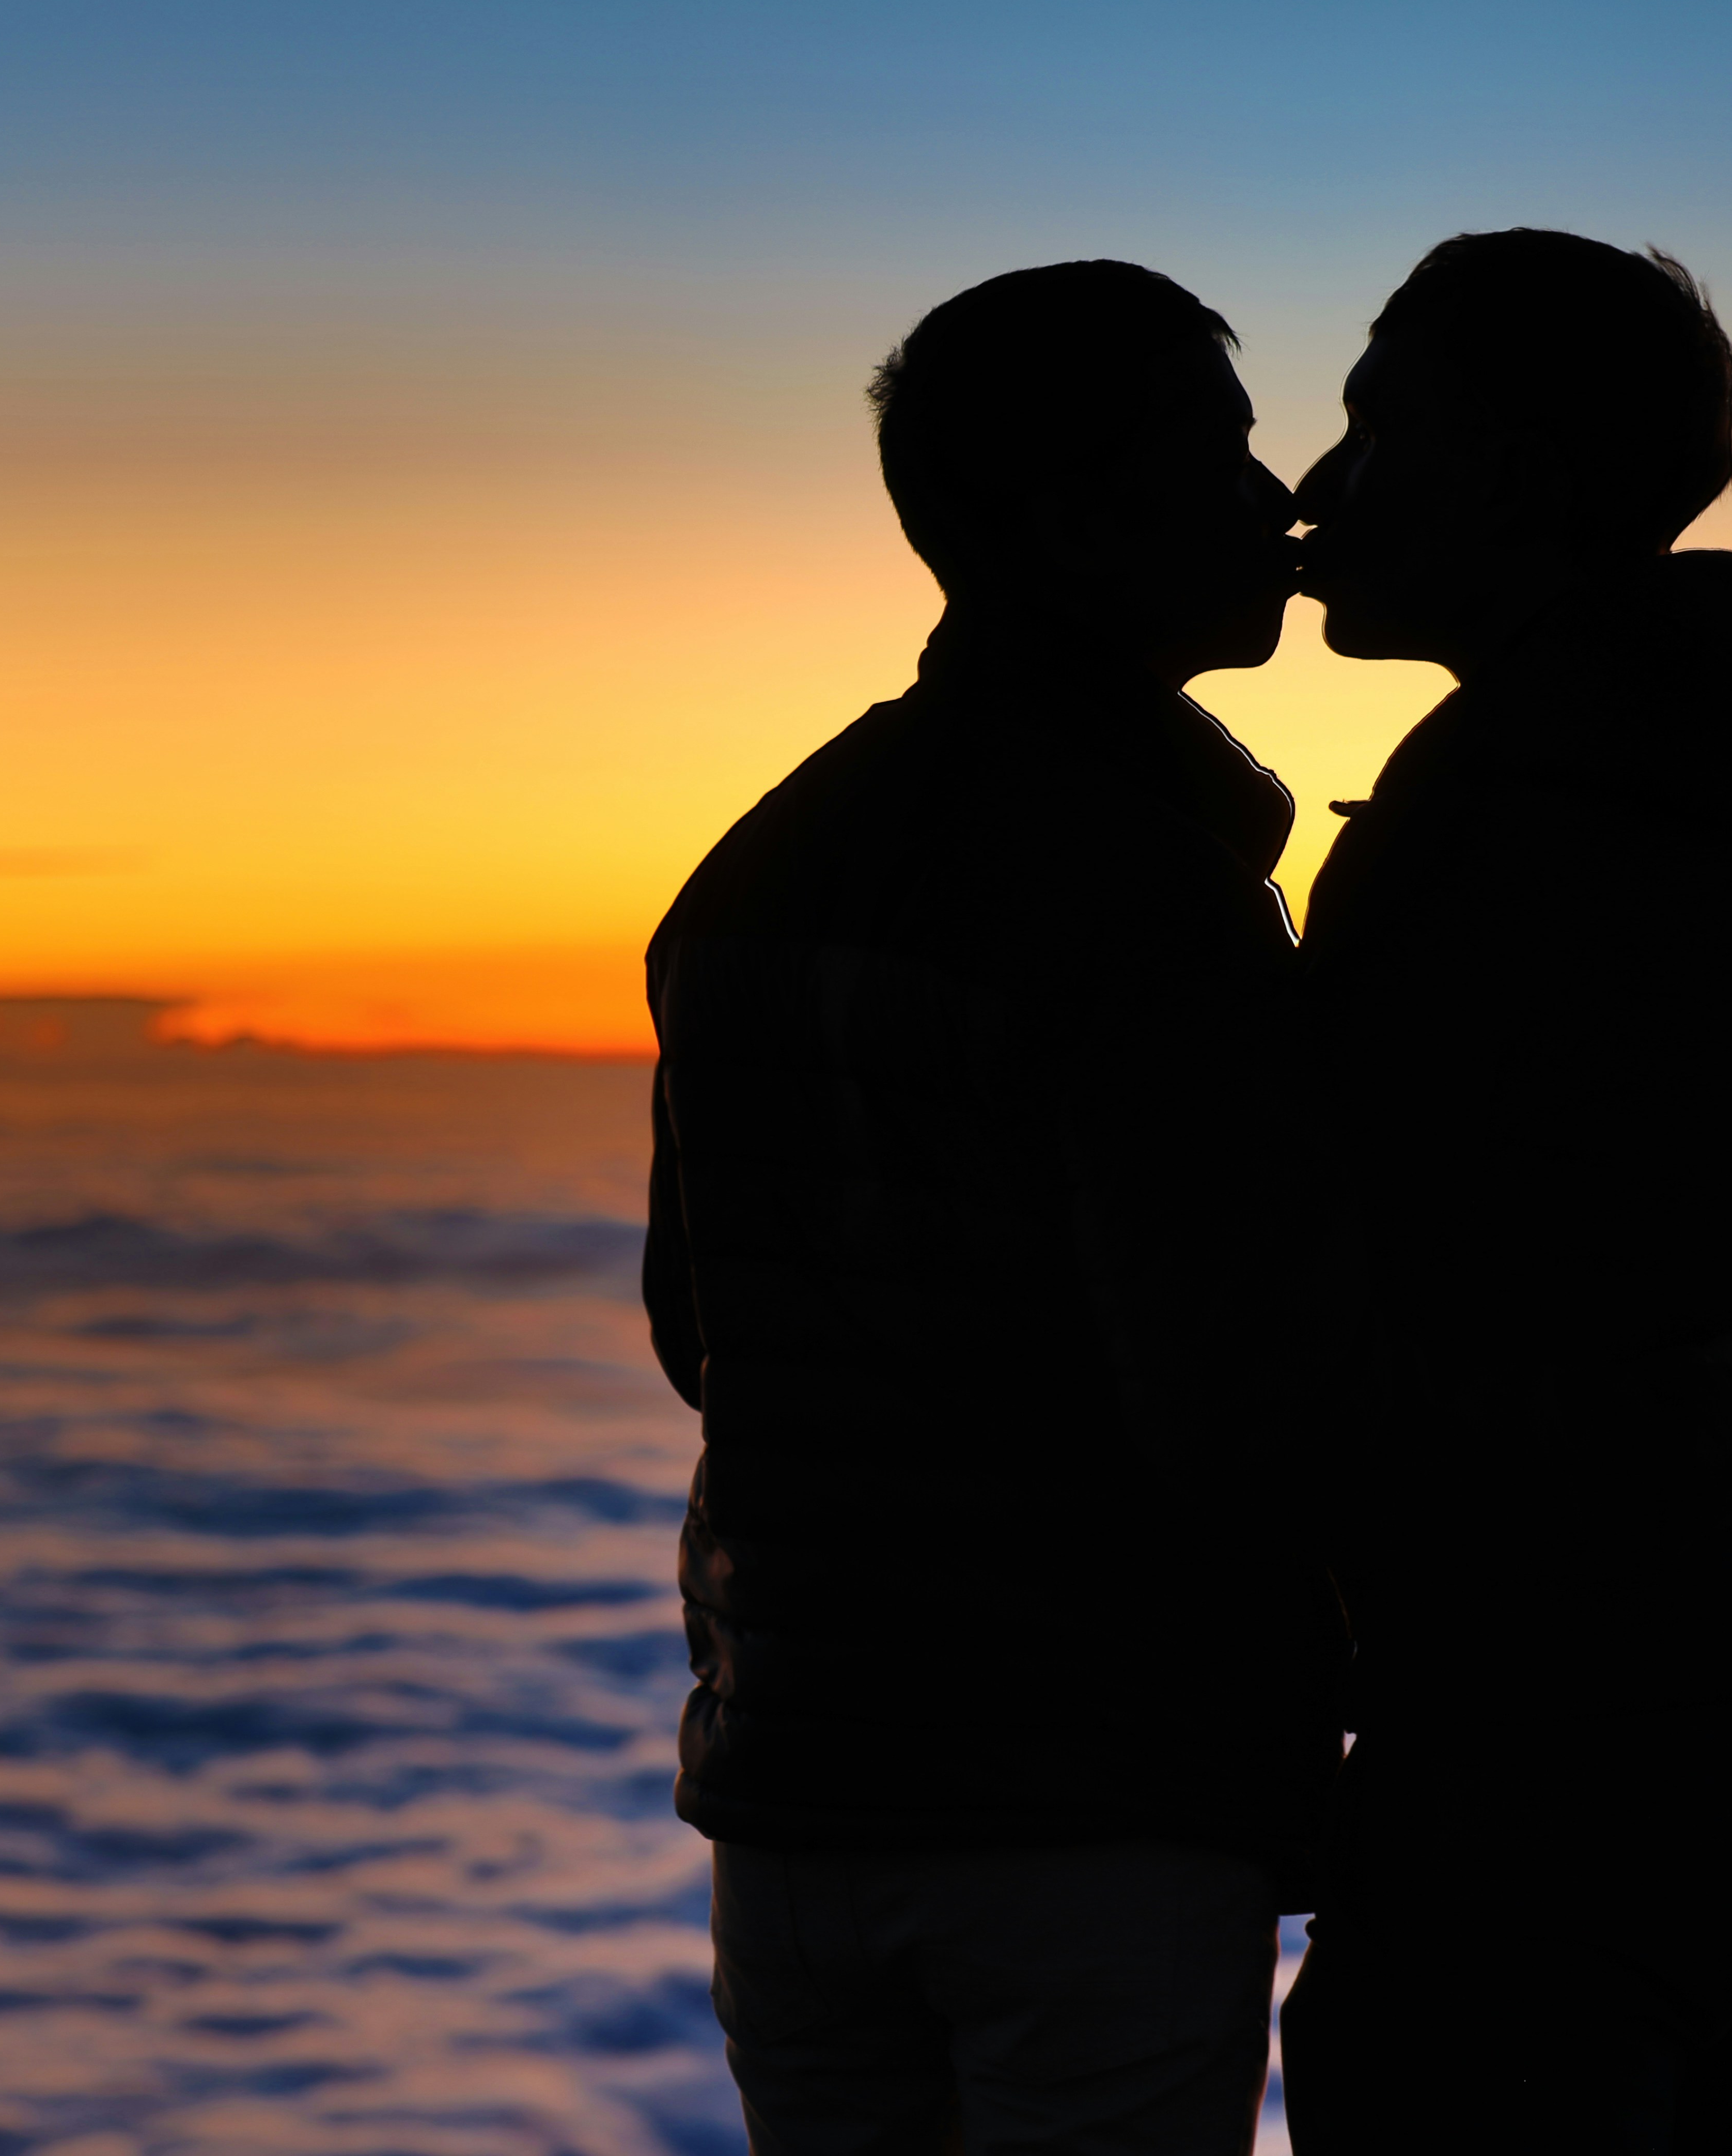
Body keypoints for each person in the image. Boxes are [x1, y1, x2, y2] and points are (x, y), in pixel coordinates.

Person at [644, 260, 1345, 2154]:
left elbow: (700, 1330)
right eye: (1218, 454)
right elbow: (1247, 1398)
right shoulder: (1143, 901)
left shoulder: (758, 869)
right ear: (1074, 517)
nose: (1276, 500)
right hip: (1090, 1814)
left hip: (794, 1806)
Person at [1277, 230, 1732, 2154]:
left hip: (1545, 1776)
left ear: (1512, 471)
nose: (1319, 489)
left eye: (1376, 426)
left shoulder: (1487, 834)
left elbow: (1344, 1304)